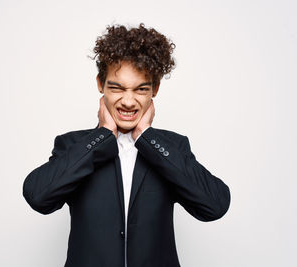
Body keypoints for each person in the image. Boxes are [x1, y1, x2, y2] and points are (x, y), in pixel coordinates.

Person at [22, 23, 231, 267]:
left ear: (155, 89)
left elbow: (214, 205)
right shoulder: (73, 145)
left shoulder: (173, 147)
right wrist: (102, 136)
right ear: (101, 84)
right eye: (117, 88)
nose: (128, 101)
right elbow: (38, 196)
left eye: (141, 89)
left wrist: (147, 138)